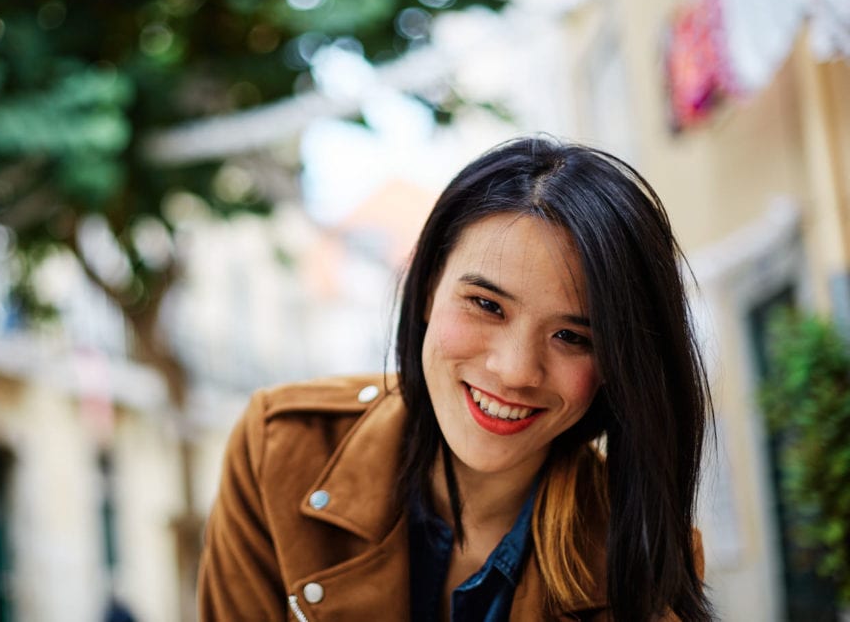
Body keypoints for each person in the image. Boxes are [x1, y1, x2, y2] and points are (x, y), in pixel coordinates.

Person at [198, 136, 714, 621]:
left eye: (574, 338)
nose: (514, 371)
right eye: (487, 305)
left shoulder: (647, 552)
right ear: (426, 287)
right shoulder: (281, 446)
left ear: (616, 367)